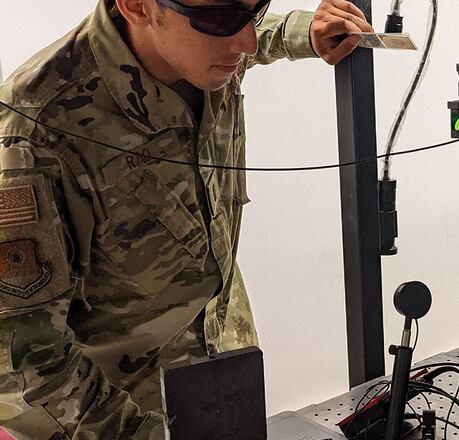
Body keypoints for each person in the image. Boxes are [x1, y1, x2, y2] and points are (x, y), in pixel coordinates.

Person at [0, 0, 372, 438]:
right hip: (119, 414)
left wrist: (302, 31)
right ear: (137, 6)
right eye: (218, 20)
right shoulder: (36, 133)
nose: (246, 42)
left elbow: (242, 28)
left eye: (255, 10)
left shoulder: (206, 48)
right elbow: (22, 368)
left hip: (223, 367)